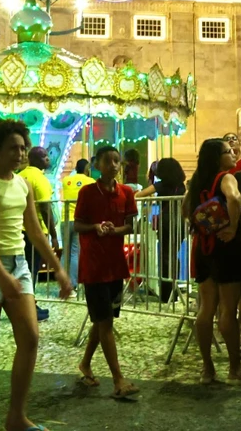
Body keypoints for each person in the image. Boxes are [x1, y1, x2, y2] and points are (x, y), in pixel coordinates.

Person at [0, 119, 72, 431]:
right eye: (13, 148)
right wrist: (1, 275)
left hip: (19, 265)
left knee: (30, 337)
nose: (20, 153)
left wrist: (59, 269)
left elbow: (35, 232)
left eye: (23, 147)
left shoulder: (23, 184)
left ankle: (16, 416)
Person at [74, 146, 140, 399]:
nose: (114, 165)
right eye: (108, 161)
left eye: (117, 161)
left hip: (115, 264)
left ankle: (85, 363)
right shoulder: (87, 192)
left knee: (102, 320)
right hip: (94, 265)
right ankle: (118, 379)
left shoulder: (126, 193)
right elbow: (78, 224)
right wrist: (95, 227)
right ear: (98, 164)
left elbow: (129, 227)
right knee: (106, 323)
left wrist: (114, 230)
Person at [186, 136, 241, 384]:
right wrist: (234, 227)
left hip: (203, 248)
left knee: (206, 308)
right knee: (228, 309)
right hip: (226, 248)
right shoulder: (226, 178)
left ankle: (207, 369)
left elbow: (186, 209)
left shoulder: (196, 182)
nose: (233, 152)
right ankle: (235, 368)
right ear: (217, 158)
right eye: (228, 151)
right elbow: (234, 198)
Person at [138, 157, 185, 304]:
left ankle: (166, 293)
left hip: (166, 221)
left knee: (165, 256)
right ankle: (174, 290)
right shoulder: (181, 186)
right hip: (180, 222)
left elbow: (139, 195)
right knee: (173, 255)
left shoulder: (161, 185)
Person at [20, 146, 59, 320]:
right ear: (35, 159)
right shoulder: (39, 178)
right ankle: (29, 308)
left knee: (24, 269)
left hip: (18, 230)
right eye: (45, 156)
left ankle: (27, 305)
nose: (48, 159)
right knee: (31, 270)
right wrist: (53, 234)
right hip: (34, 231)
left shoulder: (20, 175)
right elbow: (45, 207)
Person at [61, 158, 95, 286]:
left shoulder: (66, 181)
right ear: (87, 169)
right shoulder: (90, 182)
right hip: (79, 221)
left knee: (65, 253)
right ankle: (73, 284)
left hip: (65, 219)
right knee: (75, 252)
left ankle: (63, 284)